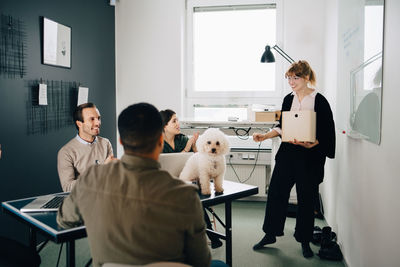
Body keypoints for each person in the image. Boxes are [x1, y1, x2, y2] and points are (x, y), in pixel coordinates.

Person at [57, 103, 213, 267]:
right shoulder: (186, 195)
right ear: (160, 140)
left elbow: (64, 220)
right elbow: (201, 261)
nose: (97, 122)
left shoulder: (91, 179)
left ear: (121, 142)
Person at [252, 60, 335, 258]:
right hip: (288, 153)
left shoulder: (319, 100)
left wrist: (314, 143)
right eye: (289, 78)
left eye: (295, 77)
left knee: (306, 198)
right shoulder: (288, 99)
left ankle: (305, 240)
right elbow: (282, 126)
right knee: (276, 192)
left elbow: (327, 132)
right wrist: (265, 135)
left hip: (310, 156)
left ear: (306, 77)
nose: (291, 81)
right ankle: (270, 233)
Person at [160, 109, 223, 249]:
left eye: (177, 120)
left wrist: (194, 149)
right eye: (174, 121)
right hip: (166, 187)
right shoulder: (157, 144)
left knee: (194, 199)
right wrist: (186, 149)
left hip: (187, 184)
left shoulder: (182, 139)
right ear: (164, 126)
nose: (178, 123)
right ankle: (210, 236)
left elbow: (198, 161)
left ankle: (207, 236)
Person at [57, 102, 114, 192]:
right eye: (92, 119)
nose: (97, 123)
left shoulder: (105, 143)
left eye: (98, 118)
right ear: (79, 124)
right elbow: (68, 188)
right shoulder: (66, 152)